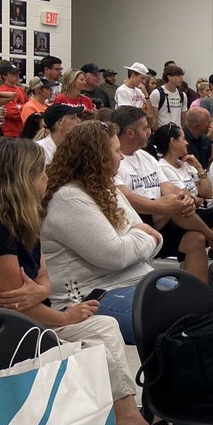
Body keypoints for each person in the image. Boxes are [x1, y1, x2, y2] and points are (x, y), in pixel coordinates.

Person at [0, 138, 201, 425]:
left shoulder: (21, 217)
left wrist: (42, 292)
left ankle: (126, 417)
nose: (46, 179)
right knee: (91, 337)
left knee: (102, 326)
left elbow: (43, 280)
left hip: (10, 325)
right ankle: (118, 421)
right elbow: (18, 304)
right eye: (40, 173)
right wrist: (66, 317)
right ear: (21, 179)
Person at [41, 120, 163, 344]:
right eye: (116, 151)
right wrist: (140, 235)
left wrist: (137, 239)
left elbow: (155, 239)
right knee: (182, 319)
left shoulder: (106, 188)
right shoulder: (68, 197)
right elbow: (115, 255)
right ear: (96, 157)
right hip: (92, 296)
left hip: (139, 279)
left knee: (210, 306)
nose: (122, 157)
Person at [113, 105, 213, 299]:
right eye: (145, 128)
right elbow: (124, 196)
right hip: (141, 223)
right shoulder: (116, 160)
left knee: (197, 238)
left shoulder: (146, 157)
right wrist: (166, 204)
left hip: (172, 217)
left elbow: (168, 186)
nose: (149, 132)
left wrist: (184, 197)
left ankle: (201, 301)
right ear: (130, 133)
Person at [184, 106, 213, 170]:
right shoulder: (183, 141)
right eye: (209, 122)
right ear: (199, 126)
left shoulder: (205, 139)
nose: (211, 124)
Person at [150, 64, 186, 129]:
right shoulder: (157, 93)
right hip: (162, 133)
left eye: (181, 75)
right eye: (178, 75)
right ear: (169, 77)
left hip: (178, 133)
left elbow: (183, 117)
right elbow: (153, 118)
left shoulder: (182, 95)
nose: (181, 78)